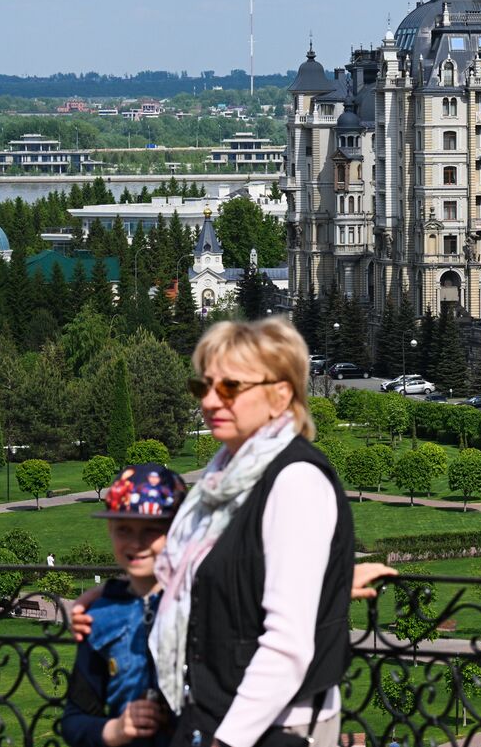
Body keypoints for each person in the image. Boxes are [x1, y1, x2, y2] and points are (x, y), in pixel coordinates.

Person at [152, 317, 355, 747]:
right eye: (202, 387)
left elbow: (288, 643)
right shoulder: (222, 481)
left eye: (229, 387)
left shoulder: (295, 481)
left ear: (281, 395)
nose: (209, 401)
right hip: (210, 715)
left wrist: (228, 741)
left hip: (273, 727)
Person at [61, 463, 188, 747]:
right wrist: (115, 729)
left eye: (151, 530)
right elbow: (75, 719)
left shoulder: (201, 602)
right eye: (124, 530)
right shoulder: (101, 617)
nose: (136, 543)